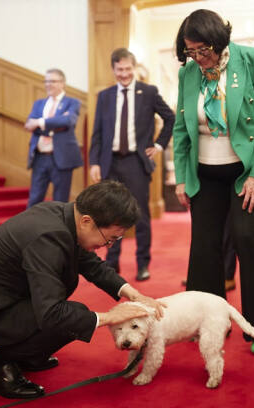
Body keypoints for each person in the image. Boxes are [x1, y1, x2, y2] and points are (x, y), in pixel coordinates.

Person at [0, 180, 165, 399]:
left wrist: (134, 294)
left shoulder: (65, 216)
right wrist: (108, 317)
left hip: (1, 300)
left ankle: (28, 356)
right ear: (87, 221)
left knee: (71, 315)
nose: (109, 246)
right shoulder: (47, 237)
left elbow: (91, 264)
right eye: (110, 239)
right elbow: (51, 313)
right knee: (70, 317)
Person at [172, 9, 254, 355]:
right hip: (206, 171)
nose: (197, 58)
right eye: (190, 52)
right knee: (204, 245)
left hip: (250, 169)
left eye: (202, 50)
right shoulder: (189, 73)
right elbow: (182, 128)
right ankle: (209, 321)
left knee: (246, 237)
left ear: (219, 40)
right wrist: (181, 178)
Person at [89, 48, 175, 282]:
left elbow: (170, 118)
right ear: (113, 70)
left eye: (128, 69)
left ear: (134, 68)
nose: (124, 74)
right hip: (110, 163)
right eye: (120, 70)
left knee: (140, 215)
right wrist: (94, 161)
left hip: (136, 163)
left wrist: (158, 145)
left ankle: (142, 264)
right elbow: (97, 132)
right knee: (109, 214)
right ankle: (112, 261)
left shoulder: (148, 92)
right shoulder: (105, 96)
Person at [24, 69, 83, 208]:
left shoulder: (72, 103)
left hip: (61, 159)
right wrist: (57, 122)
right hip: (39, 158)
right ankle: (31, 230)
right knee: (34, 200)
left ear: (62, 83)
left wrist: (40, 122)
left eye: (53, 81)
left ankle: (58, 231)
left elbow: (68, 121)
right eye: (46, 81)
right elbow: (28, 124)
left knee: (60, 203)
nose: (48, 84)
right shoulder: (39, 103)